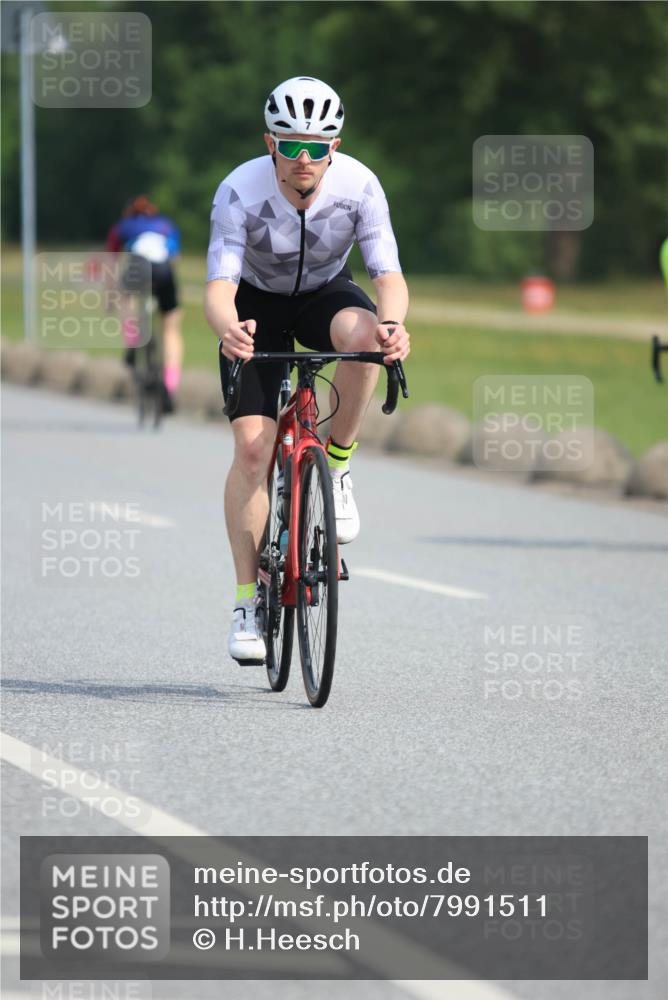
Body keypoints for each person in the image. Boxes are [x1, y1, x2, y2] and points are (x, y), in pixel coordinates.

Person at [204, 76, 410, 665]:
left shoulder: (361, 187)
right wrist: (228, 328)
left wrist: (392, 326)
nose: (303, 158)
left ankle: (337, 466)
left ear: (335, 147)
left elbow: (387, 276)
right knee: (252, 451)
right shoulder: (238, 192)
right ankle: (247, 601)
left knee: (368, 335)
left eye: (316, 147)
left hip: (324, 294)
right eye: (290, 145)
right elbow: (219, 285)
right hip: (255, 304)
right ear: (270, 143)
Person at [106, 196, 184, 411]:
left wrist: (110, 298)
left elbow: (111, 264)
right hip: (163, 271)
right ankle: (169, 385)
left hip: (137, 267)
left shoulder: (122, 226)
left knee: (124, 296)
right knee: (171, 328)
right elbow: (174, 258)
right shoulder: (167, 225)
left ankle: (132, 340)